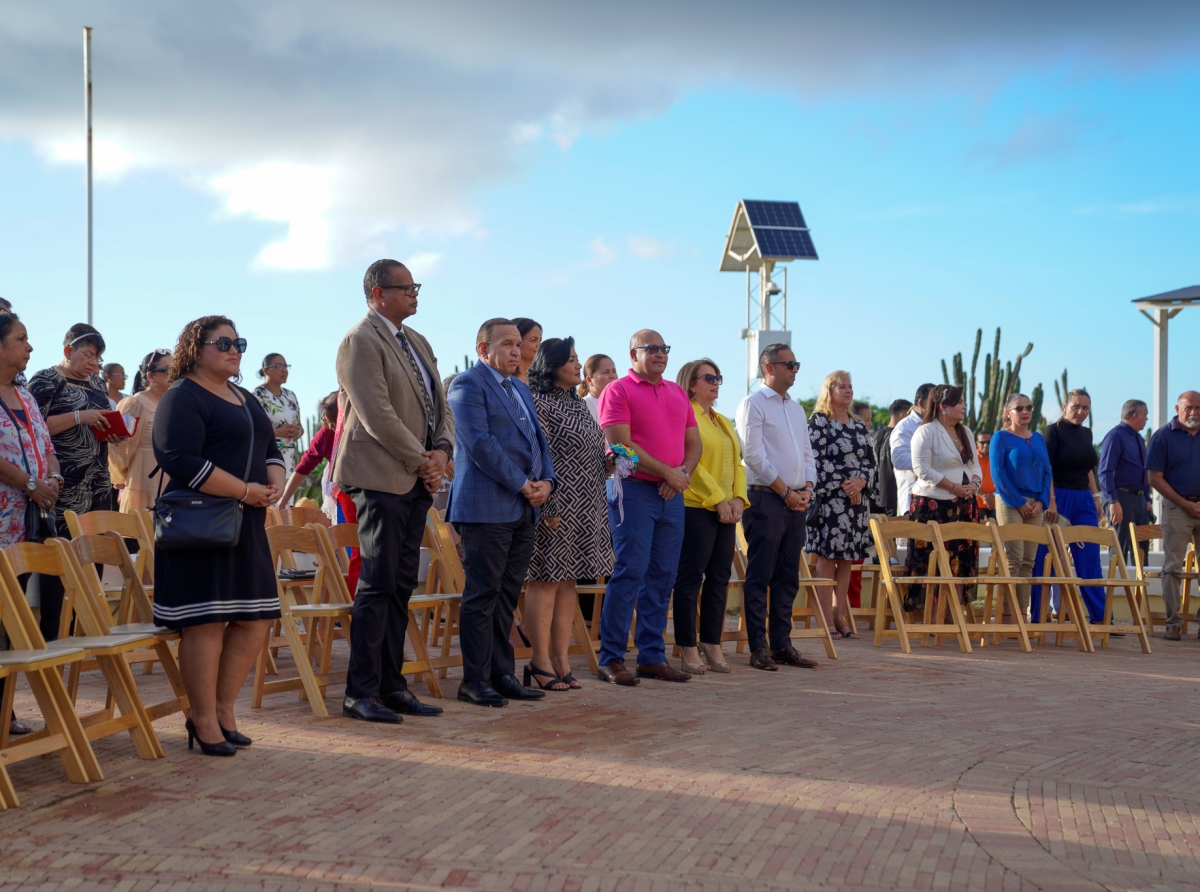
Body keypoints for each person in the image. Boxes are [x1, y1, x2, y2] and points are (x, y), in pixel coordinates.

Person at [152, 316, 285, 756]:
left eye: (239, 342)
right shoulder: (182, 396)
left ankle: (225, 710)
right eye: (223, 342)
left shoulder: (246, 397)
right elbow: (178, 458)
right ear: (195, 348)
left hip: (245, 524)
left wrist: (275, 480)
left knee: (256, 618)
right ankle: (202, 718)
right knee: (205, 622)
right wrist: (245, 490)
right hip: (200, 526)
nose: (235, 349)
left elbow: (270, 447)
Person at [333, 259, 452, 723]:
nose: (415, 294)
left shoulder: (417, 341)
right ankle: (359, 691)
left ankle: (391, 685)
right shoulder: (359, 340)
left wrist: (442, 448)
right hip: (380, 476)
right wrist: (424, 461)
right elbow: (376, 413)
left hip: (416, 477)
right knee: (378, 583)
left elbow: (439, 404)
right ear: (380, 293)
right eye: (407, 288)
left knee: (402, 584)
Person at [447, 318, 556, 706]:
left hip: (525, 507)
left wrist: (547, 481)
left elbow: (538, 443)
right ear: (483, 349)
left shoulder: (521, 391)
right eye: (507, 343)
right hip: (486, 507)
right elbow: (479, 443)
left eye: (517, 344)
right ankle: (474, 680)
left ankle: (502, 674)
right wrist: (522, 484)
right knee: (483, 595)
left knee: (507, 596)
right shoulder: (467, 385)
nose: (515, 350)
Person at [596, 329, 700, 685]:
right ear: (632, 354)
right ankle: (610, 658)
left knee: (663, 576)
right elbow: (620, 446)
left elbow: (694, 443)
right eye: (650, 348)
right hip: (634, 491)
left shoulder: (676, 392)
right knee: (631, 571)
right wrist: (668, 473)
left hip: (672, 495)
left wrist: (680, 475)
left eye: (663, 348)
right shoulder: (618, 390)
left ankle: (651, 657)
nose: (659, 354)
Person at [523, 337, 613, 690]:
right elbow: (537, 459)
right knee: (544, 582)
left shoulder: (576, 405)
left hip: (589, 504)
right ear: (551, 365)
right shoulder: (539, 403)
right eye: (571, 360)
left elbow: (585, 453)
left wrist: (608, 463)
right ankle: (539, 661)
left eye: (577, 359)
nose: (578, 366)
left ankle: (562, 660)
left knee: (568, 583)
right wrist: (549, 505)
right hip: (557, 505)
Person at [28, 323, 116, 641]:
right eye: (89, 355)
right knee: (60, 559)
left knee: (94, 554)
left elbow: (100, 421)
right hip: (63, 484)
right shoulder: (46, 379)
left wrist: (114, 431)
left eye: (98, 357)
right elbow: (35, 429)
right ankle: (52, 635)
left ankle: (86, 633)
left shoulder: (97, 385)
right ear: (68, 351)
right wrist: (80, 417)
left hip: (97, 482)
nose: (94, 363)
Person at [735, 344, 818, 670]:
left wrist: (807, 488)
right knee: (760, 575)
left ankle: (782, 644)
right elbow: (753, 456)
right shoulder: (752, 404)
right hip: (766, 499)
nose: (795, 369)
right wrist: (785, 492)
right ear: (769, 367)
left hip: (796, 500)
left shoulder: (797, 409)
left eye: (797, 364)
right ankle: (759, 648)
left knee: (788, 576)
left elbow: (807, 455)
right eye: (790, 364)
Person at [0, 312, 63, 737]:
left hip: (32, 523)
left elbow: (47, 445)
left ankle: (6, 712)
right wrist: (30, 483)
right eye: (21, 339)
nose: (29, 347)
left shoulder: (27, 395)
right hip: (4, 519)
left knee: (12, 619)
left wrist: (53, 479)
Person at [673, 359, 746, 674]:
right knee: (690, 579)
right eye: (709, 378)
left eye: (719, 377)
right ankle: (687, 645)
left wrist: (739, 499)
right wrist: (718, 500)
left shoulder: (721, 420)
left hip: (727, 509)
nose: (716, 382)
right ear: (692, 383)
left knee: (720, 578)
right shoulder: (685, 414)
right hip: (696, 505)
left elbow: (738, 462)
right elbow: (690, 462)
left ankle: (712, 642)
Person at [808, 371, 876, 639]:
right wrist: (845, 483)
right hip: (830, 500)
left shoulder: (858, 424)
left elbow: (872, 462)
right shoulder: (819, 422)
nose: (848, 391)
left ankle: (840, 616)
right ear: (829, 390)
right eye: (842, 386)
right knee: (827, 557)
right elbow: (814, 459)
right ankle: (824, 618)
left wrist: (860, 481)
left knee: (848, 558)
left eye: (850, 386)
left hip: (857, 501)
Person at [905, 384, 982, 611]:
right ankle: (931, 615)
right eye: (958, 402)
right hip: (933, 505)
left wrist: (974, 485)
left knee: (961, 560)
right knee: (934, 562)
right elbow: (922, 469)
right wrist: (953, 487)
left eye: (963, 402)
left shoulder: (965, 431)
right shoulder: (926, 431)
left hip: (964, 505)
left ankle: (953, 615)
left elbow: (974, 464)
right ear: (942, 407)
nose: (963, 406)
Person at [1040, 389, 1103, 623]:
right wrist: (1052, 501)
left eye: (1085, 408)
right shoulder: (1053, 431)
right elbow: (1047, 470)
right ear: (1065, 405)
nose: (1080, 412)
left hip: (1084, 499)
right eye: (1076, 406)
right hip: (1059, 498)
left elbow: (1088, 468)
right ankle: (1039, 615)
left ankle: (1101, 617)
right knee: (1048, 556)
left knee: (1090, 558)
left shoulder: (1087, 433)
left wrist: (1096, 497)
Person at [990, 393, 1053, 619]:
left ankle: (1021, 616)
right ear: (1008, 413)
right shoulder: (1000, 437)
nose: (1025, 411)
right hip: (1009, 502)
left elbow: (1047, 472)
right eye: (1019, 408)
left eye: (1028, 407)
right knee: (1013, 559)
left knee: (1029, 561)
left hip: (1035, 504)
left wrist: (1042, 502)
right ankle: (1007, 615)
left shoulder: (1037, 438)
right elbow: (998, 473)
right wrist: (1018, 502)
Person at [1147, 390, 1200, 641]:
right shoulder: (1162, 437)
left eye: (1198, 408)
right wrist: (1184, 504)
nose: (1193, 412)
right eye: (1188, 407)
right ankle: (1173, 622)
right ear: (1178, 408)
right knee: (1172, 568)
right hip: (1177, 508)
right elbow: (1154, 478)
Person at [108, 350, 172, 512]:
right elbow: (120, 449)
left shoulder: (174, 404)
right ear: (151, 376)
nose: (175, 374)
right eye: (168, 370)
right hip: (143, 485)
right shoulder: (136, 403)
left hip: (171, 488)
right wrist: (123, 477)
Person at [1099, 399, 1152, 565]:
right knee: (1119, 547)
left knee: (1142, 548)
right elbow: (1105, 471)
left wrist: (1147, 499)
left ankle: (1140, 589)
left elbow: (1143, 470)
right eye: (1145, 415)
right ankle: (1116, 590)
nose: (1147, 419)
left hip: (1140, 500)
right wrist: (1113, 501)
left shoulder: (1137, 438)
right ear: (1135, 415)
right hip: (1121, 498)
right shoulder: (1115, 436)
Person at [276, 391, 338, 510]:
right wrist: (283, 501)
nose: (331, 427)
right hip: (339, 495)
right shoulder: (325, 434)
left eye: (334, 423)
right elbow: (303, 467)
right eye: (328, 421)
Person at [253, 353, 304, 478]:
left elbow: (300, 427)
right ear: (266, 370)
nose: (284, 370)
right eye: (279, 366)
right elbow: (251, 429)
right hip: (267, 458)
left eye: (286, 366)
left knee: (287, 496)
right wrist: (277, 432)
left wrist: (297, 432)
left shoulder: (291, 396)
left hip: (290, 460)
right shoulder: (256, 395)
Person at [890, 383, 935, 518]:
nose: (939, 406)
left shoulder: (937, 425)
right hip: (913, 501)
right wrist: (930, 459)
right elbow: (898, 460)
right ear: (921, 402)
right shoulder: (905, 426)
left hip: (936, 500)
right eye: (934, 402)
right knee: (911, 538)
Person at [870, 399, 911, 516]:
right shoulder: (900, 438)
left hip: (874, 498)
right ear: (903, 416)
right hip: (893, 497)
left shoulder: (876, 435)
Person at [579, 353, 619, 424]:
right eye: (605, 372)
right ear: (589, 380)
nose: (612, 376)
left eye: (614, 371)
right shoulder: (585, 404)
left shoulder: (620, 402)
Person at [511, 318, 542, 385]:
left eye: (540, 340)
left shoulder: (545, 381)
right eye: (533, 340)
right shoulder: (504, 379)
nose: (539, 345)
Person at [975, 430, 997, 521]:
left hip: (996, 503)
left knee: (998, 533)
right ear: (977, 443)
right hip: (977, 504)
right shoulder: (971, 458)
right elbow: (967, 481)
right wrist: (984, 497)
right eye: (982, 442)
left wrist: (993, 495)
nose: (986, 445)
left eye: (989, 442)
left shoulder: (998, 457)